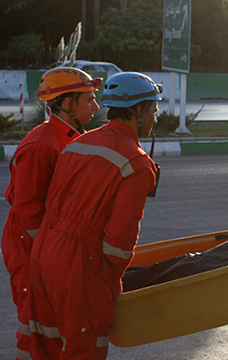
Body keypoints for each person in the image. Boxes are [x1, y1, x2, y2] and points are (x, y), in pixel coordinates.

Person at [28, 72, 161, 360]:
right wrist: (107, 283)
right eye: (153, 109)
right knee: (83, 349)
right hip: (81, 265)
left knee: (44, 346)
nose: (156, 117)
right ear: (137, 110)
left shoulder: (79, 142)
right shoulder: (137, 163)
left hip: (43, 253)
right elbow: (120, 240)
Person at [2, 67, 101, 360]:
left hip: (49, 242)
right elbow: (29, 209)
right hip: (29, 244)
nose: (95, 107)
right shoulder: (41, 144)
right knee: (35, 327)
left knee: (54, 323)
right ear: (67, 103)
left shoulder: (70, 137)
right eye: (89, 100)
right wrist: (52, 252)